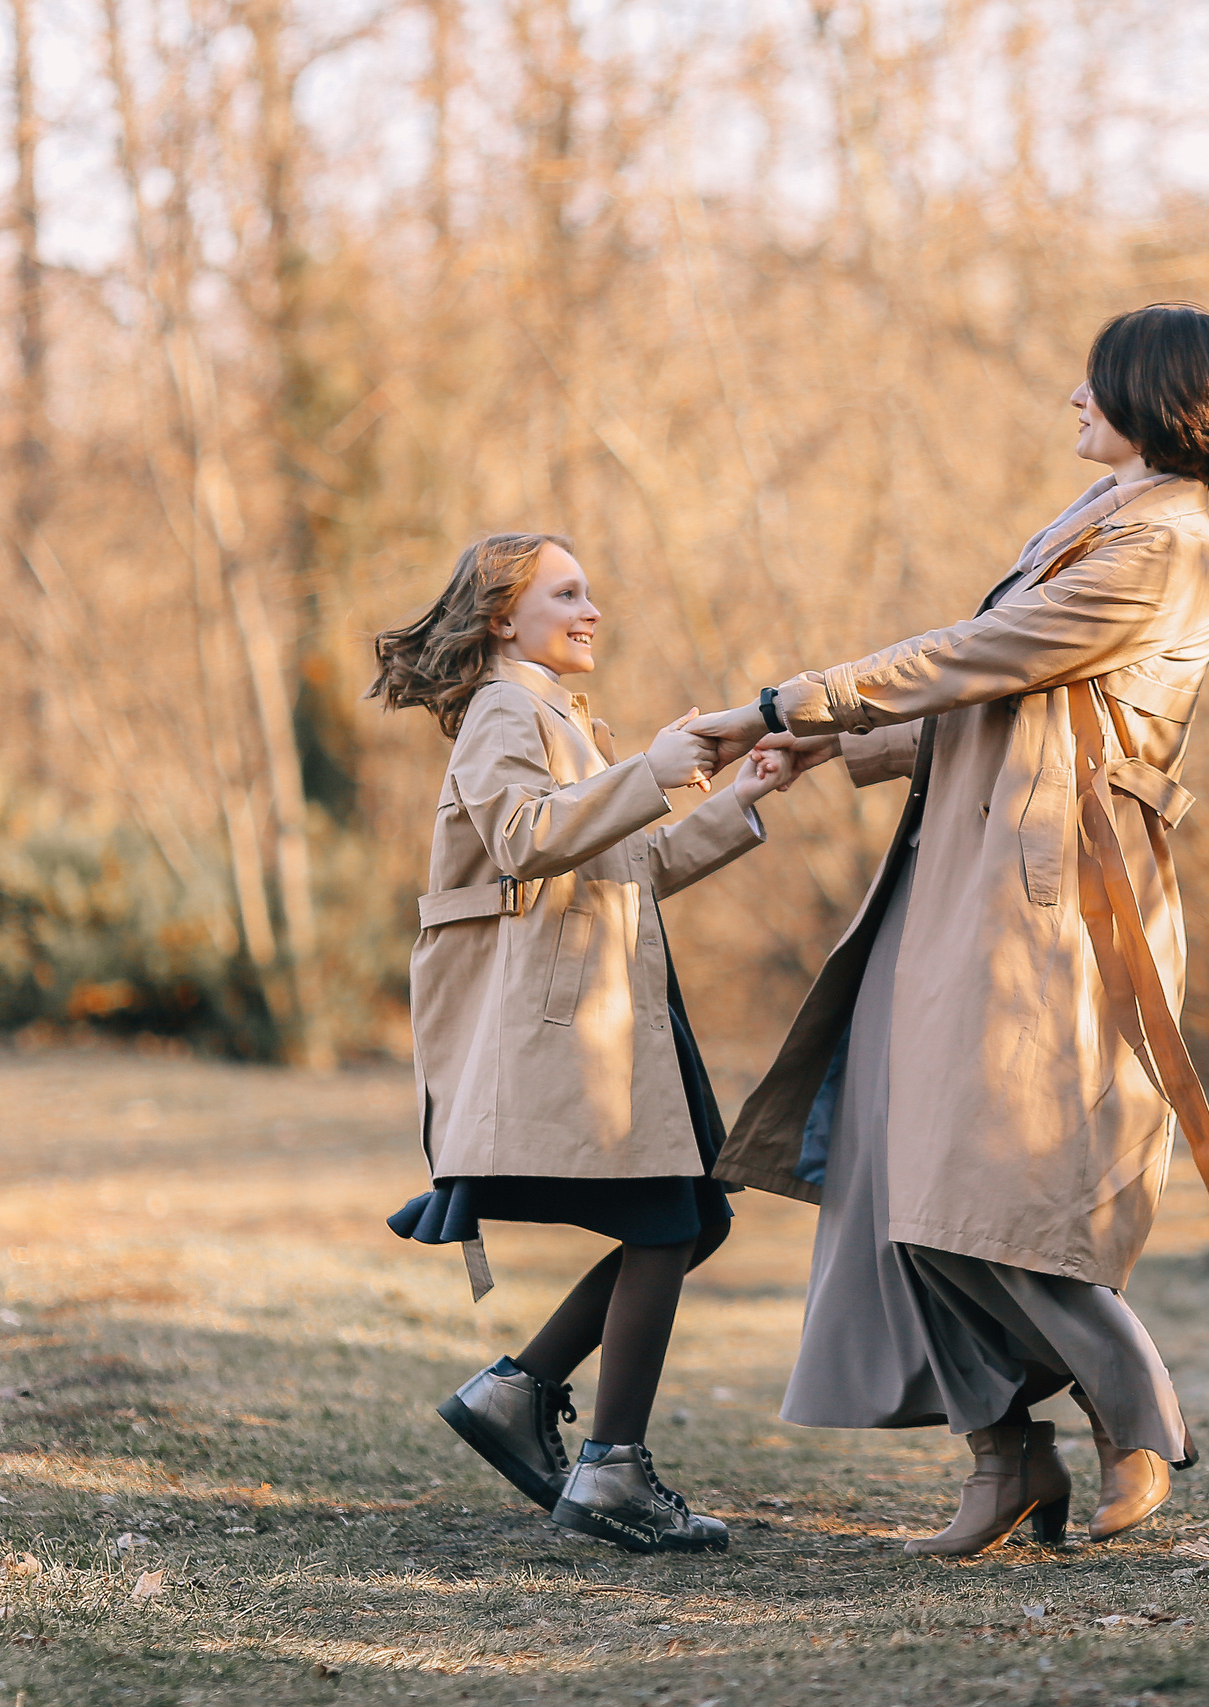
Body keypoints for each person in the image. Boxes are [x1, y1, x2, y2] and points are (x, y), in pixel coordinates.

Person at [687, 304, 1209, 1557]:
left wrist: (790, 703)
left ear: (1158, 399)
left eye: (1095, 380)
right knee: (899, 1174)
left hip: (1054, 900)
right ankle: (1004, 1462)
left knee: (984, 1185)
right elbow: (1006, 701)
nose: (1074, 396)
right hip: (963, 881)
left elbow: (984, 654)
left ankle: (1131, 1419)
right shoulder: (1097, 520)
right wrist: (831, 743)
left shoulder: (1166, 548)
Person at [368, 531, 804, 1554]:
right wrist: (649, 767)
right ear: (501, 619)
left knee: (690, 1217)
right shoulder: (502, 709)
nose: (590, 609)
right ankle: (606, 1466)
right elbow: (524, 837)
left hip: (616, 1017)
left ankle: (519, 1395)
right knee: (673, 1219)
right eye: (565, 594)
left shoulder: (558, 717)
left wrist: (738, 798)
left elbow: (631, 867)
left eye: (588, 592)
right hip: (567, 1025)